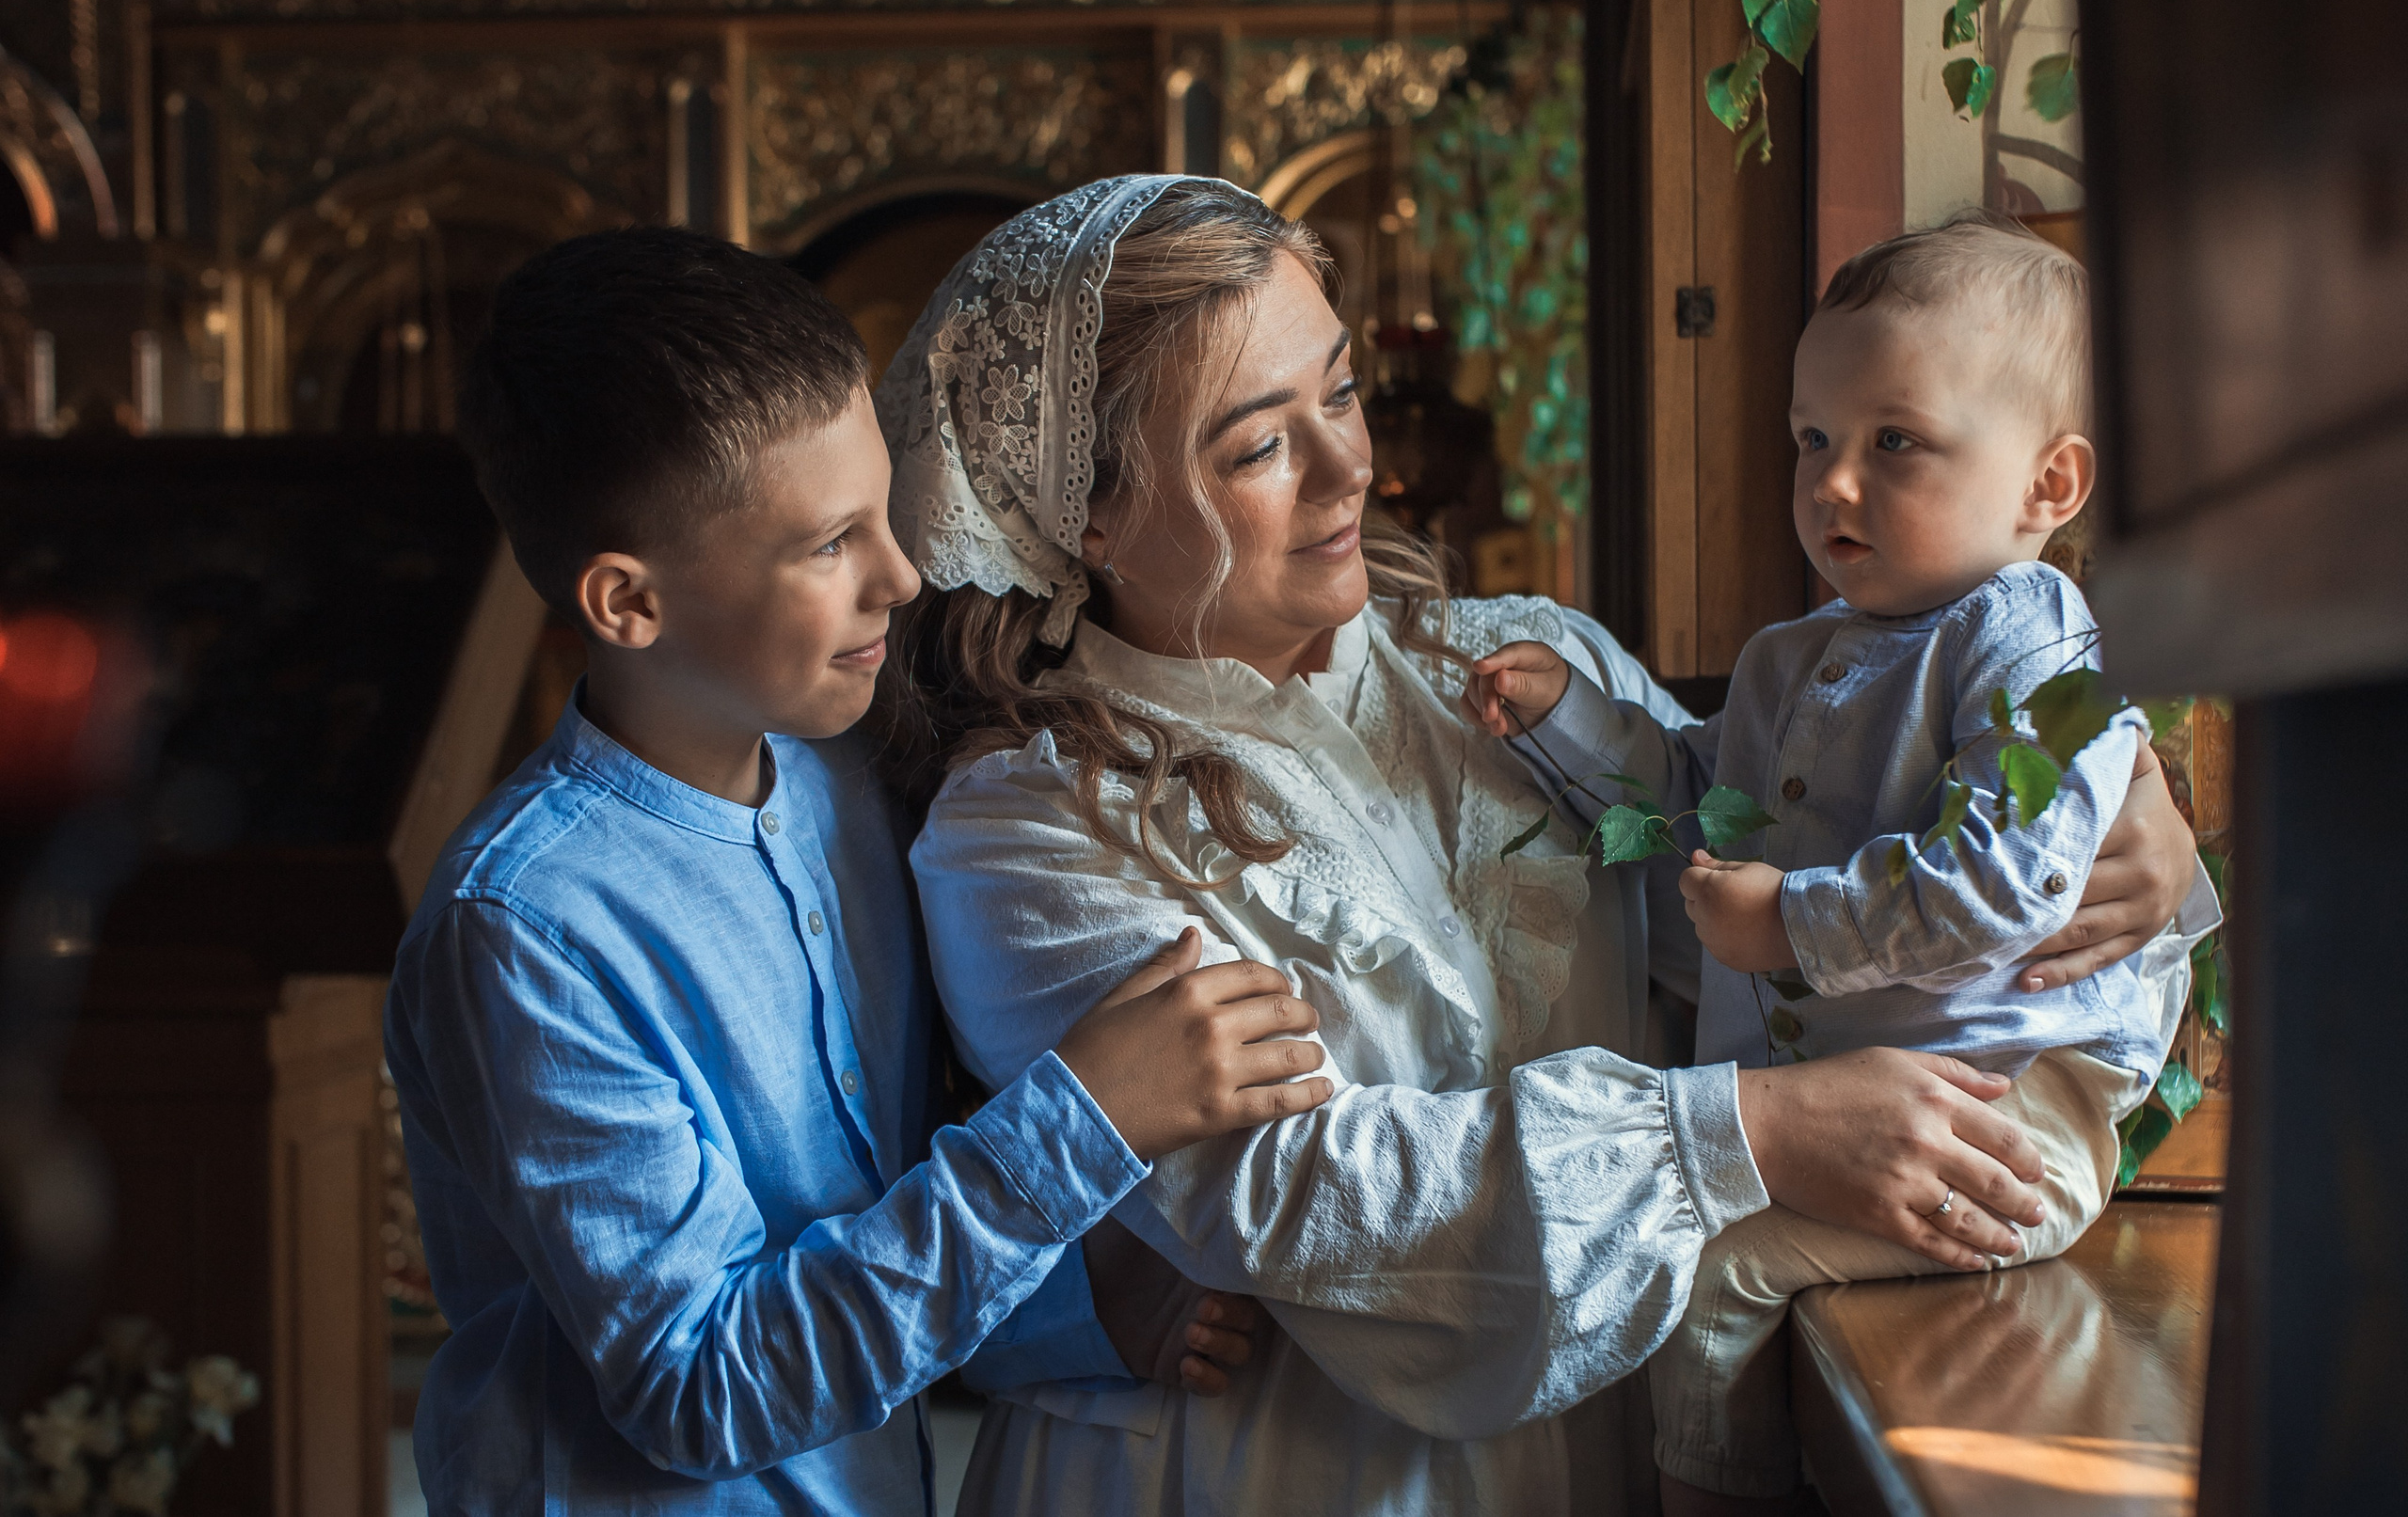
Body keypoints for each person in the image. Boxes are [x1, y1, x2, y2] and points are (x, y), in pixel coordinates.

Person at [884, 177, 2203, 1515]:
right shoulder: (1030, 831)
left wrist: (2135, 841)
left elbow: (1780, 878)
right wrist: (1746, 1133)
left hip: (1601, 1456)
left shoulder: (1526, 666)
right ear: (1088, 514)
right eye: (1258, 448)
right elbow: (1286, 1195)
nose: (1351, 470)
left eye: (1341, 394)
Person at [383, 227, 1336, 1514]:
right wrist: (1086, 1121)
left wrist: (1079, 1312)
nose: (899, 574)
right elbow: (700, 1385)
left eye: (884, 513)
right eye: (830, 544)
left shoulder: (849, 785)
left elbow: (854, 1224)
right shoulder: (524, 928)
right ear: (629, 603)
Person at [1463, 213, 2222, 1515]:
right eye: (1812, 440)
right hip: (1866, 1116)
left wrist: (1793, 928)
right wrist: (1568, 723)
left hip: (2002, 1123)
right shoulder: (1792, 657)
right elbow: (1702, 812)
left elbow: (2010, 876)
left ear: (2048, 486)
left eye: (1894, 443)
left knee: (1705, 1266)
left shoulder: (2045, 646)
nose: (1833, 485)